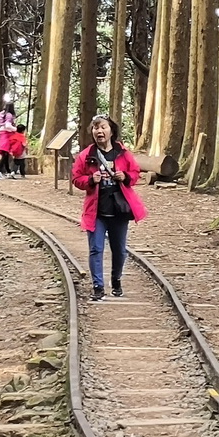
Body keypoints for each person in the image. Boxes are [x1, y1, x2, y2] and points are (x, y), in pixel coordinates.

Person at [70, 114, 146, 301]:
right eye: (96, 128)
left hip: (119, 208)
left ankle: (116, 279)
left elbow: (135, 173)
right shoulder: (86, 155)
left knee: (119, 249)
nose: (99, 131)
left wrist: (125, 177)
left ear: (111, 130)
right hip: (96, 210)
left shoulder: (123, 152)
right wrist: (90, 180)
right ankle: (98, 285)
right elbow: (76, 178)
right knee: (96, 248)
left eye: (103, 127)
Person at [0, 103, 28, 178]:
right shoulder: (9, 115)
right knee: (5, 154)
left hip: (1, 133)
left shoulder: (1, 113)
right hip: (7, 134)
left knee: (5, 154)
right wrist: (16, 130)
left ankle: (8, 171)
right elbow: (7, 125)